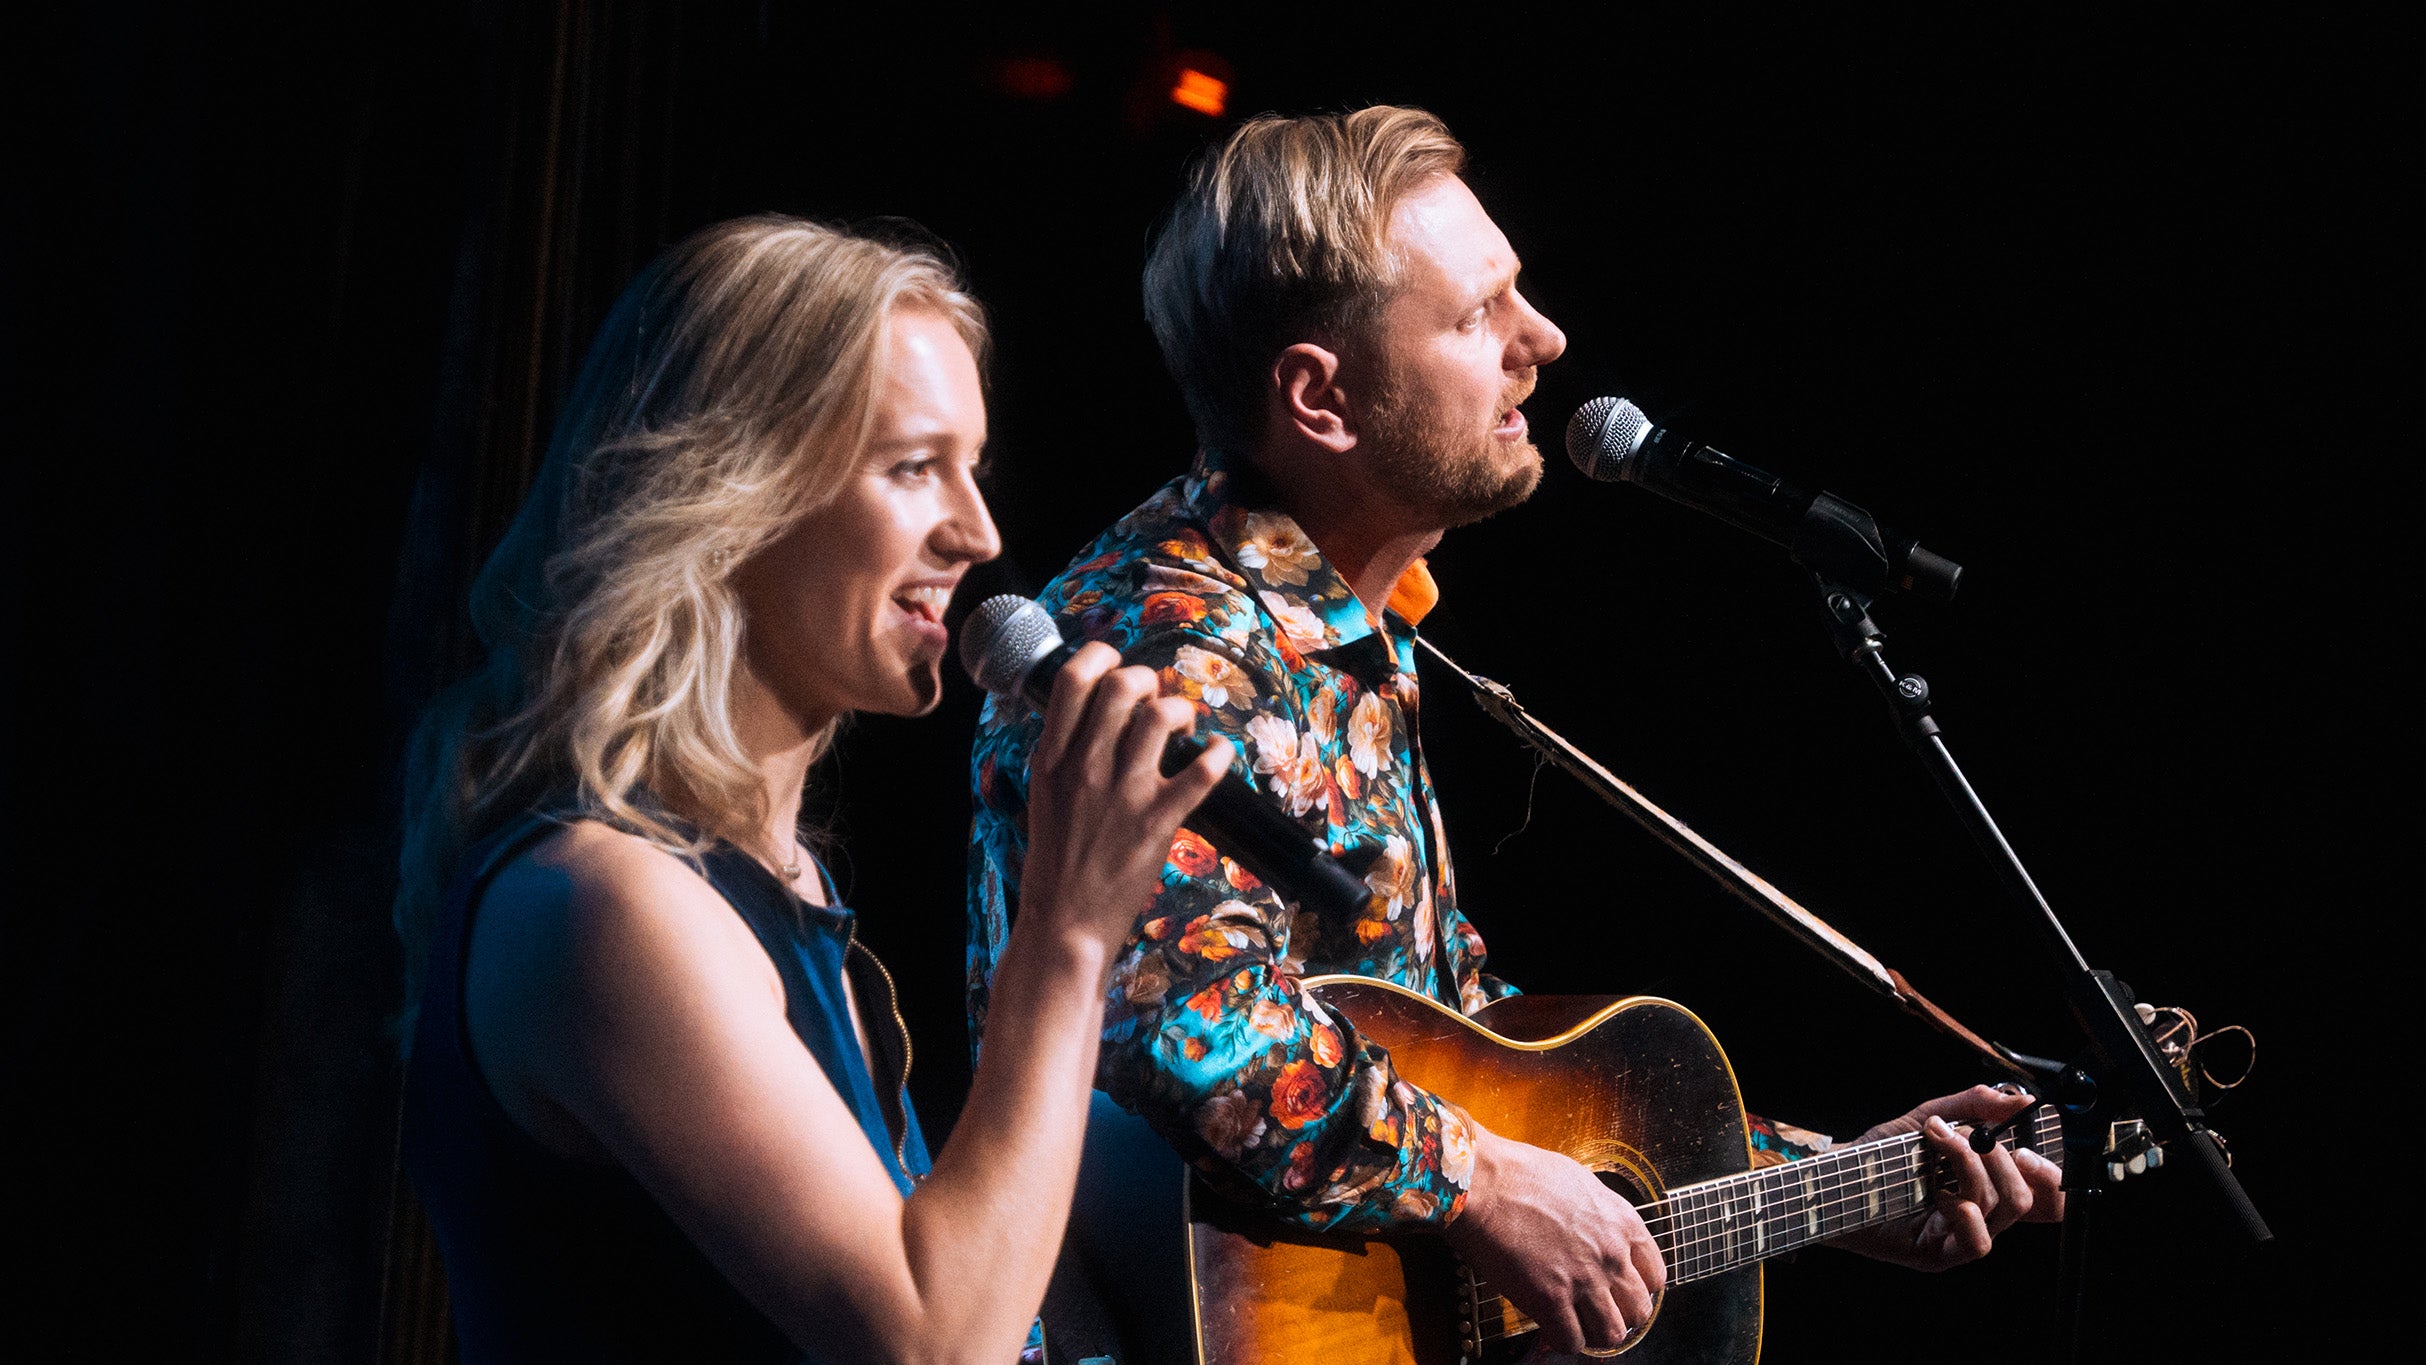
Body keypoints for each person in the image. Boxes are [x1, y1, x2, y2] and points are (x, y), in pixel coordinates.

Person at [966, 108, 2065, 1356]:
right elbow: (1177, 1020)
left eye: (1519, 296)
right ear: (1319, 399)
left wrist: (1818, 1185)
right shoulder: (1170, 652)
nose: (1541, 343)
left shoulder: (1351, 626)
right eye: (1475, 316)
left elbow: (1459, 1047)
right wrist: (1477, 1185)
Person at [395, 215, 1231, 1363]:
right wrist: (1068, 929)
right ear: (732, 490)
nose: (975, 532)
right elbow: (931, 1340)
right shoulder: (601, 905)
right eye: (909, 469)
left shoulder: (768, 885)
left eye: (972, 471)